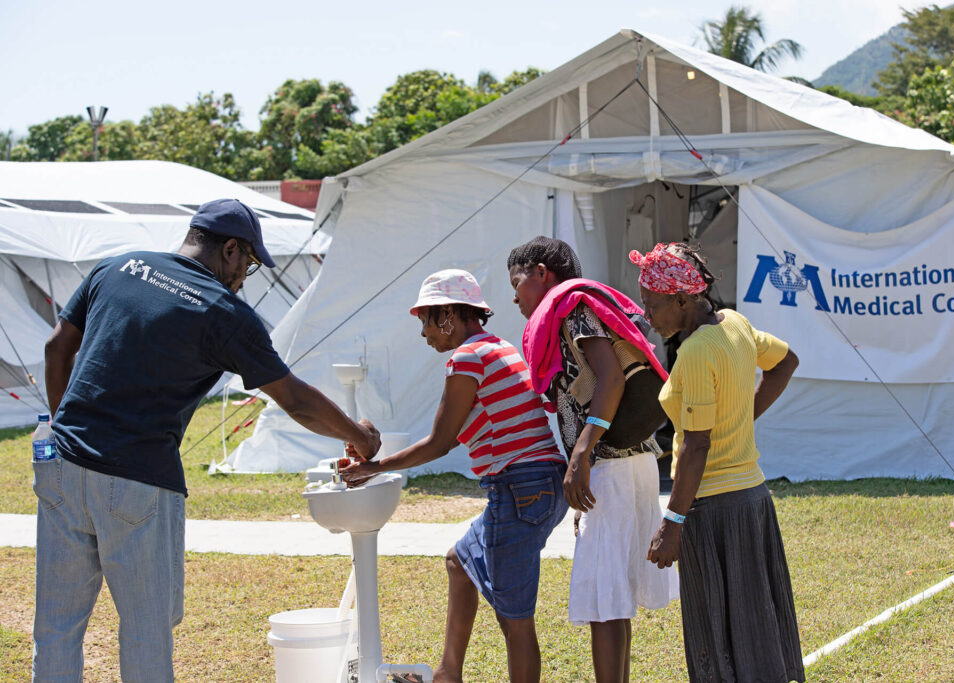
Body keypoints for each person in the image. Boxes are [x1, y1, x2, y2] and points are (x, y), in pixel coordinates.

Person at [35, 198, 380, 683]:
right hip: (136, 479)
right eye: (249, 265)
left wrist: (66, 424)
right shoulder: (224, 313)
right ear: (231, 250)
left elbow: (56, 348)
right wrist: (357, 434)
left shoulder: (117, 266)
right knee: (146, 631)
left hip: (61, 465)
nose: (244, 279)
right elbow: (295, 400)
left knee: (56, 628)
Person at [341, 269, 568, 683]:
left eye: (425, 320)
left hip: (518, 487)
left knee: (515, 621)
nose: (424, 333)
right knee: (459, 561)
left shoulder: (467, 357)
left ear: (447, 315)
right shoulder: (498, 347)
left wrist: (373, 469)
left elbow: (440, 442)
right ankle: (448, 674)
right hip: (539, 485)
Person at [506, 237, 677, 683]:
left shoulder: (571, 308)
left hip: (611, 463)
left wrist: (581, 454)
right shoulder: (576, 309)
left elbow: (611, 377)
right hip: (631, 459)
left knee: (606, 596)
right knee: (612, 595)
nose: (514, 296)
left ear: (542, 273)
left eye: (517, 281)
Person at [636, 242, 804, 683]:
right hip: (752, 498)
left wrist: (672, 522)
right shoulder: (735, 324)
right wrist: (741, 416)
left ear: (682, 300)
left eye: (652, 305)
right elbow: (786, 362)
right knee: (755, 627)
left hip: (712, 510)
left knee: (717, 633)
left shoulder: (694, 354)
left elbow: (695, 447)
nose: (647, 316)